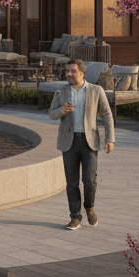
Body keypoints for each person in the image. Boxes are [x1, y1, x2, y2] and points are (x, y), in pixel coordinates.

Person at [49, 57, 115, 229]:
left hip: (89, 142)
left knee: (90, 180)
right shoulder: (62, 92)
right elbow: (51, 113)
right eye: (67, 71)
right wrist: (62, 110)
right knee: (71, 182)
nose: (69, 74)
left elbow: (107, 114)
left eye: (72, 71)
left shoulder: (96, 90)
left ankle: (89, 208)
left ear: (82, 73)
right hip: (68, 142)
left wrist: (110, 139)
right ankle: (75, 217)